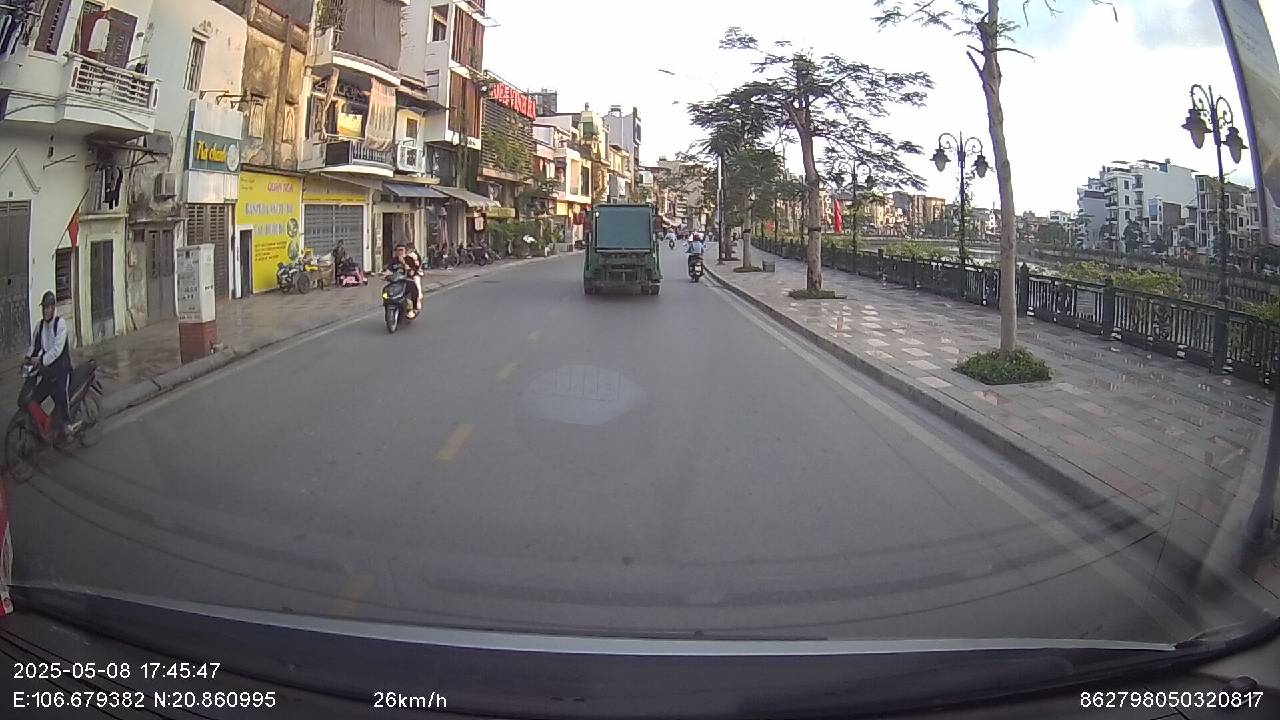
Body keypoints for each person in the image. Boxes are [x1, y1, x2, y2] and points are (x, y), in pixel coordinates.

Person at [25, 291, 80, 435]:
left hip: (61, 369)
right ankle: (46, 424)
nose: (45, 311)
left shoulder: (60, 324)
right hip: (47, 372)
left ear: (53, 308)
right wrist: (27, 358)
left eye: (48, 307)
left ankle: (68, 424)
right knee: (34, 398)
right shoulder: (39, 326)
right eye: (44, 307)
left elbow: (56, 350)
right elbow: (34, 346)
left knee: (61, 394)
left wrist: (41, 360)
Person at [384, 244, 421, 317]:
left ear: (405, 251)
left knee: (413, 289)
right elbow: (389, 270)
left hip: (407, 280)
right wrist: (384, 274)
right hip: (396, 281)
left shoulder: (409, 259)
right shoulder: (393, 260)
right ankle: (387, 304)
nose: (399, 252)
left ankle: (414, 308)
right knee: (385, 291)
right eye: (397, 250)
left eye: (401, 250)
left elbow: (411, 272)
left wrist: (403, 262)